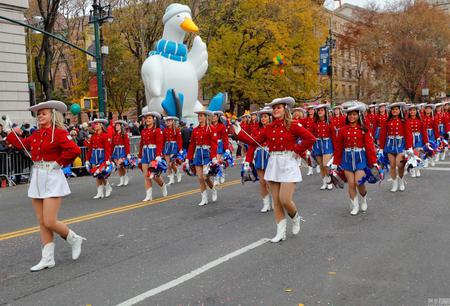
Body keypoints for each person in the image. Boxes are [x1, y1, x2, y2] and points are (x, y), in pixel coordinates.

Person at [4, 100, 85, 271]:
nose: (40, 116)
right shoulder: (37, 134)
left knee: (50, 220)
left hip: (52, 177)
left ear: (52, 115)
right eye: (38, 113)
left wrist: (59, 163)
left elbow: (74, 150)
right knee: (42, 221)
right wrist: (8, 131)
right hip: (38, 177)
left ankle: (72, 238)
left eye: (44, 113)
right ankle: (47, 258)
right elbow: (23, 145)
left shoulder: (60, 133)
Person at [233, 97, 316, 243]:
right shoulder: (269, 128)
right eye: (274, 108)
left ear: (285, 109)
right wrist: (239, 132)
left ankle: (295, 217)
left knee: (285, 199)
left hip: (288, 163)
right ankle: (281, 233)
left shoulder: (293, 125)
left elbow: (310, 139)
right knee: (276, 201)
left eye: (279, 107)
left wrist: (296, 150)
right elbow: (254, 141)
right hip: (274, 163)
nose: (276, 110)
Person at [332, 102, 377, 215]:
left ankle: (364, 197)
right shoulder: (342, 130)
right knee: (351, 183)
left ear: (358, 115)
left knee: (359, 182)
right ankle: (355, 205)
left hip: (360, 158)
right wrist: (335, 162)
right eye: (350, 114)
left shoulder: (363, 129)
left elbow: (369, 146)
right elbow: (338, 147)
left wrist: (374, 162)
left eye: (354, 114)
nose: (352, 117)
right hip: (347, 159)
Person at [185, 109, 218, 206]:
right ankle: (204, 198)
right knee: (200, 178)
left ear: (206, 117)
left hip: (207, 153)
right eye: (198, 116)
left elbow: (214, 144)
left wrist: (213, 157)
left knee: (205, 177)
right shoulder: (195, 130)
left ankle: (213, 189)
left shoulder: (211, 128)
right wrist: (188, 157)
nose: (199, 117)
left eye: (201, 116)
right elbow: (192, 145)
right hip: (198, 154)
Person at [378, 102, 413, 192]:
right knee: (392, 165)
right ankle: (394, 183)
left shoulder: (404, 121)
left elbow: (408, 134)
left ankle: (401, 180)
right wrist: (381, 148)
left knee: (399, 164)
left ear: (400, 110)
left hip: (401, 144)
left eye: (396, 109)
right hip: (390, 145)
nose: (394, 111)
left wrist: (409, 147)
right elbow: (382, 135)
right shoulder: (387, 121)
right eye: (393, 109)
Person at [244, 107, 272, 212]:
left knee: (270, 181)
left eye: (265, 117)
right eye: (262, 117)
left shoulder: (273, 128)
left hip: (270, 155)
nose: (263, 119)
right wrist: (248, 160)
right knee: (262, 181)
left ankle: (274, 199)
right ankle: (266, 203)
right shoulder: (256, 129)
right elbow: (252, 145)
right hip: (259, 154)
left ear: (270, 118)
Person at [139, 111, 168, 201]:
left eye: (149, 118)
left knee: (155, 175)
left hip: (154, 153)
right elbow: (141, 144)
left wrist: (158, 155)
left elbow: (160, 143)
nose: (147, 120)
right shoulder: (143, 131)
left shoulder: (158, 130)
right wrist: (140, 156)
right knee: (146, 175)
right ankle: (149, 195)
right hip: (145, 153)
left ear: (154, 119)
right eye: (146, 118)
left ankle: (163, 186)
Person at [85, 119, 113, 199]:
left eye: (96, 124)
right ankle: (99, 192)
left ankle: (108, 188)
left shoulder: (105, 135)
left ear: (101, 125)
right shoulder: (93, 136)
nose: (95, 126)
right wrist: (87, 159)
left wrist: (107, 159)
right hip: (94, 156)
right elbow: (90, 149)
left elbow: (107, 149)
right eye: (94, 124)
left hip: (102, 156)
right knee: (96, 175)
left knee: (102, 174)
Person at [311, 104, 336, 190]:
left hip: (327, 144)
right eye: (318, 111)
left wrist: (335, 148)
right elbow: (311, 133)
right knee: (321, 165)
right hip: (317, 144)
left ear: (325, 112)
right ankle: (324, 181)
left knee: (326, 164)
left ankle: (329, 180)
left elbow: (333, 135)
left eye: (321, 110)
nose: (320, 112)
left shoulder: (330, 122)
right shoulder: (314, 122)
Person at [406, 105, 425, 178]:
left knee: (418, 154)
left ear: (416, 111)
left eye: (414, 110)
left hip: (418, 138)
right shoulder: (406, 120)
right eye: (410, 110)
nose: (412, 112)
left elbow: (423, 131)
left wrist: (425, 141)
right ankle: (413, 169)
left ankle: (418, 169)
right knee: (411, 154)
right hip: (410, 138)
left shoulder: (420, 119)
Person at [162, 116, 183, 185]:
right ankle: (171, 179)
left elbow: (179, 140)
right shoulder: (164, 130)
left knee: (171, 164)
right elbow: (163, 140)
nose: (168, 122)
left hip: (174, 147)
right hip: (167, 147)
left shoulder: (176, 129)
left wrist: (180, 149)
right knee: (168, 164)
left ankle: (177, 173)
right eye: (167, 121)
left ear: (172, 122)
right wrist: (161, 150)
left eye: (169, 121)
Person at [211, 110, 230, 184]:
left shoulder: (222, 126)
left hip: (219, 145)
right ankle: (221, 174)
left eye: (214, 116)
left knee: (217, 161)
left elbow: (225, 138)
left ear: (218, 117)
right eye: (212, 116)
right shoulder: (210, 126)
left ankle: (217, 178)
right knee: (213, 162)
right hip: (212, 145)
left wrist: (227, 148)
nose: (213, 118)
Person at [112, 120, 131, 187]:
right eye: (116, 126)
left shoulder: (124, 134)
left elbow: (127, 144)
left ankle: (126, 178)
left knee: (122, 165)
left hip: (122, 150)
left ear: (121, 126)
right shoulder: (115, 135)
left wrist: (128, 153)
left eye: (118, 125)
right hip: (116, 150)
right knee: (118, 166)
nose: (116, 127)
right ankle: (121, 180)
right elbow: (113, 145)